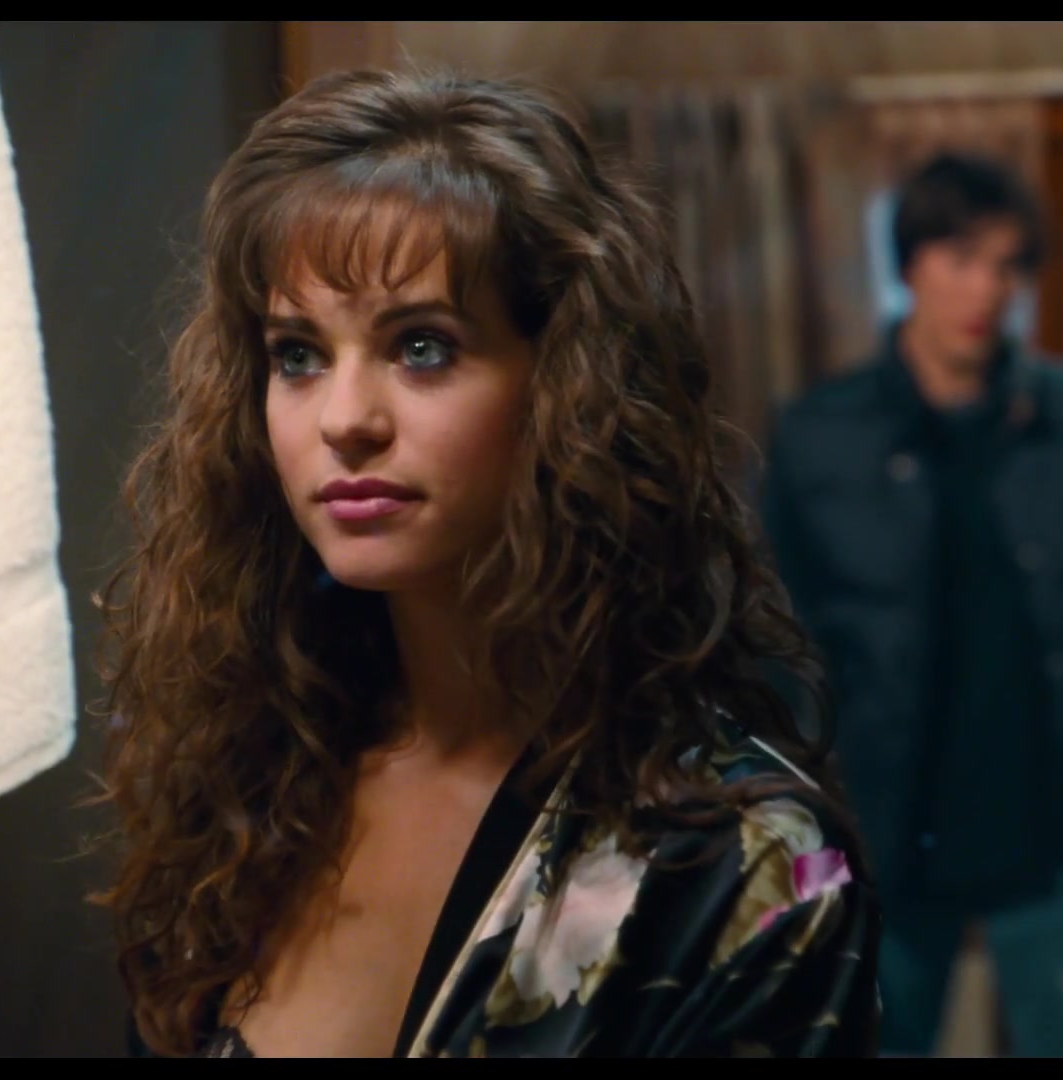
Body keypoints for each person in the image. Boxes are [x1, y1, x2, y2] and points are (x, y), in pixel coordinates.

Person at [91, 67, 882, 1059]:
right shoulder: (250, 780)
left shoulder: (741, 867)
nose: (345, 419)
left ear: (565, 384)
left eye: (421, 347)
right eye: (297, 355)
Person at [758, 150, 1063, 1058]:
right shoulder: (819, 437)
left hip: (1053, 827)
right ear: (911, 265)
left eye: (1008, 265)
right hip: (882, 837)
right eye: (962, 260)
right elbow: (775, 649)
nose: (986, 290)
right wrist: (768, 822)